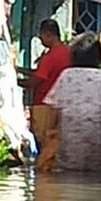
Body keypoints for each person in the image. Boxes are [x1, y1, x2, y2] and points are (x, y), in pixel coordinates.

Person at [38, 32, 101, 173]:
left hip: (69, 137)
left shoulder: (66, 76)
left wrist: (48, 134)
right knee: (96, 177)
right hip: (95, 138)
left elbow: (54, 108)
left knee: (68, 173)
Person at [20, 19, 71, 152]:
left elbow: (35, 80)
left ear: (48, 34)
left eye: (41, 35)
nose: (40, 39)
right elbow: (39, 72)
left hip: (44, 105)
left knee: (44, 145)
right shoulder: (67, 52)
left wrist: (16, 82)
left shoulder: (50, 56)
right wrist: (18, 69)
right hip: (61, 104)